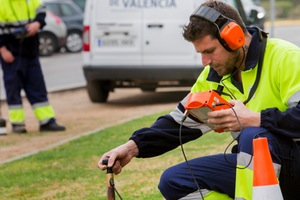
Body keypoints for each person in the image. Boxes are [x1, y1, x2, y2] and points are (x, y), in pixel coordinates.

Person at [98, 0, 300, 199]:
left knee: (254, 137)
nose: (205, 62)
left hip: (295, 169)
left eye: (209, 51)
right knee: (174, 181)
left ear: (235, 37)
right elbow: (178, 124)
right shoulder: (213, 77)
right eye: (201, 53)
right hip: (255, 168)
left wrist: (256, 119)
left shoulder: (285, 57)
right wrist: (132, 147)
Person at [0, 0, 66, 134]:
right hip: (10, 53)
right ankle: (18, 125)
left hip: (30, 52)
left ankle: (47, 121)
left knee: (38, 87)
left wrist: (37, 24)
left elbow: (41, 12)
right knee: (13, 89)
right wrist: (2, 50)